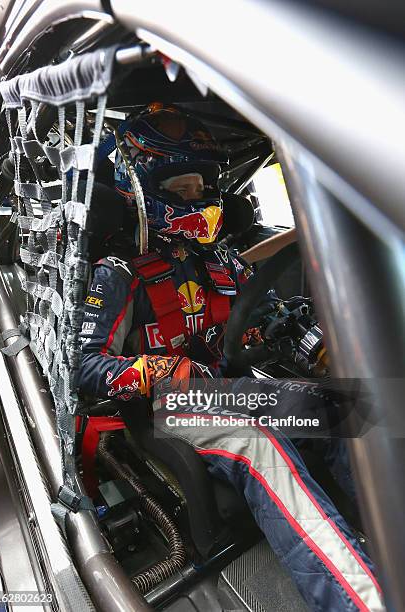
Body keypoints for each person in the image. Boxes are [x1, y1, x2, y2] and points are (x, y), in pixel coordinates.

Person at [78, 103, 383, 611]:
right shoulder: (119, 272)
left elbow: (262, 315)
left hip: (229, 390)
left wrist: (311, 341)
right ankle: (360, 601)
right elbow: (86, 369)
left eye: (199, 188)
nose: (196, 198)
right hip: (168, 407)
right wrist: (157, 370)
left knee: (344, 405)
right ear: (145, 192)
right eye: (181, 190)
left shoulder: (217, 259)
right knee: (257, 445)